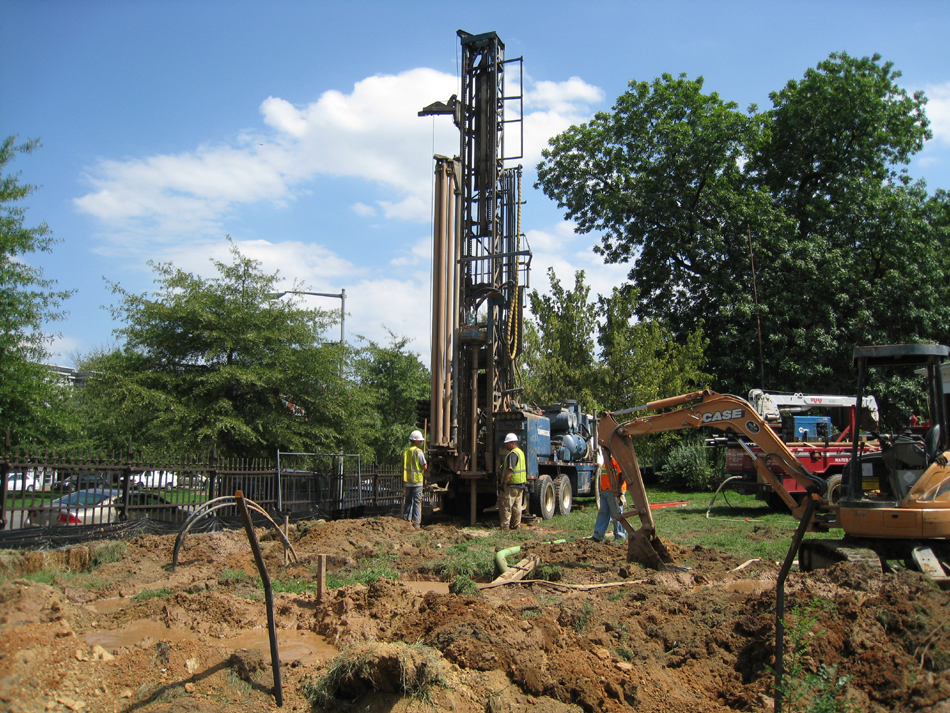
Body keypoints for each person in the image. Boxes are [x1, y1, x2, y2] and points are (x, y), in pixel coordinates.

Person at [591, 455, 626, 543]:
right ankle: (598, 535)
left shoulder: (616, 458)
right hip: (606, 490)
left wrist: (619, 489)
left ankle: (620, 536)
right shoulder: (608, 459)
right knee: (603, 513)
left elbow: (622, 474)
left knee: (616, 513)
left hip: (614, 490)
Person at [498, 433, 527, 530]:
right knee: (517, 506)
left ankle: (505, 526)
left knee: (506, 506)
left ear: (512, 443)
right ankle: (516, 525)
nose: (506, 445)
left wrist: (504, 483)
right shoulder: (520, 453)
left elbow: (510, 470)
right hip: (520, 485)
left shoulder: (513, 454)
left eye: (507, 443)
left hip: (511, 485)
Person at [402, 430, 427, 528]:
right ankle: (416, 524)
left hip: (407, 481)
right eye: (420, 440)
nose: (421, 442)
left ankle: (406, 521)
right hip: (417, 482)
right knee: (417, 502)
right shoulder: (418, 452)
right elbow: (424, 466)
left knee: (408, 501)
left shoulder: (405, 451)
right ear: (415, 441)